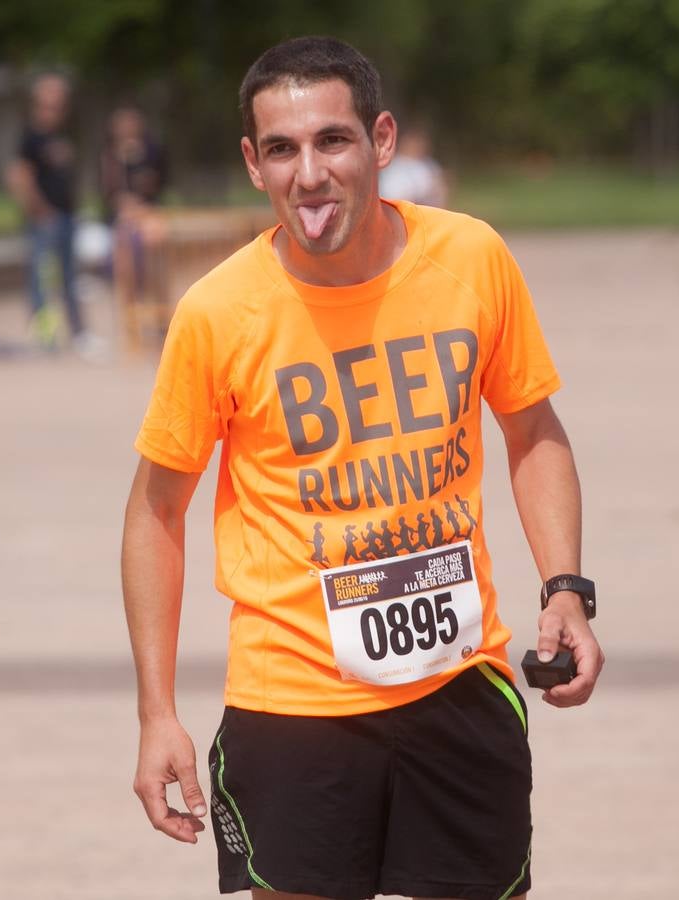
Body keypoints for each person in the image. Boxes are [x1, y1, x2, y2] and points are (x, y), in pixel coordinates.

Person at [122, 35, 604, 900]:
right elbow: (155, 511)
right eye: (282, 149)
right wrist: (157, 713)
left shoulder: (470, 258)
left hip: (458, 683)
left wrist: (565, 587)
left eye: (333, 140)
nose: (310, 174)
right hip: (292, 703)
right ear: (253, 164)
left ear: (381, 141)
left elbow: (532, 429)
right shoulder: (218, 313)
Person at [6, 73, 103, 359]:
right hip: (45, 220)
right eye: (50, 99)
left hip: (67, 216)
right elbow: (19, 176)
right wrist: (39, 209)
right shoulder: (31, 136)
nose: (56, 106)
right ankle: (45, 336)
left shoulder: (60, 135)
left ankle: (78, 332)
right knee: (41, 279)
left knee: (70, 277)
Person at [99, 105, 170, 347]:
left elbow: (161, 183)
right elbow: (108, 192)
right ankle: (132, 326)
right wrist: (125, 205)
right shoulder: (110, 156)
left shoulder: (152, 151)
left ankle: (160, 322)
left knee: (156, 265)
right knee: (126, 270)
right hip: (124, 219)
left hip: (149, 214)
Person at [379, 123, 448, 207]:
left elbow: (440, 191)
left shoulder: (430, 165)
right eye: (414, 141)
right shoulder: (392, 165)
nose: (418, 145)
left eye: (421, 141)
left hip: (428, 209)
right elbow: (391, 195)